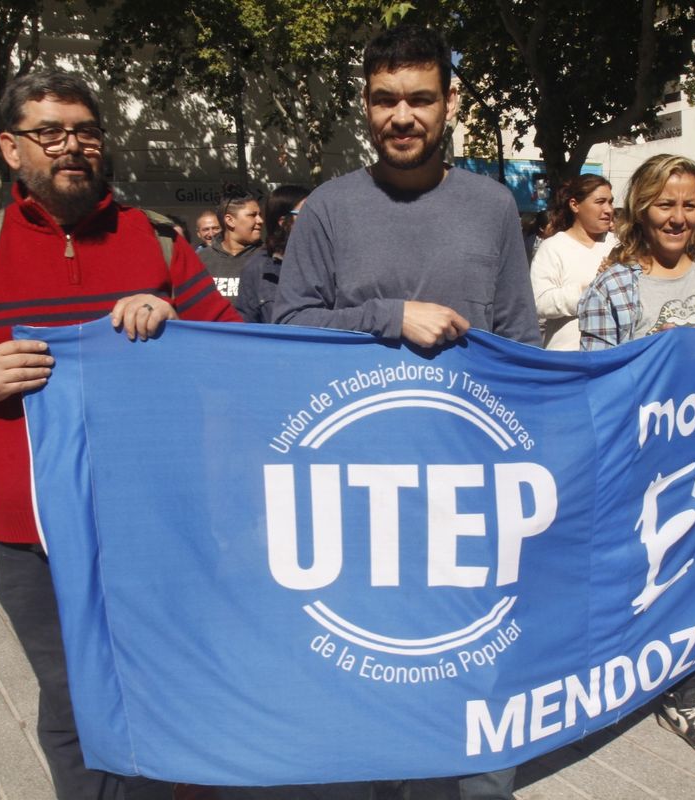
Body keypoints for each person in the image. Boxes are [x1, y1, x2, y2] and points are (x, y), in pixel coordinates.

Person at [0, 70, 240, 799]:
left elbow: (240, 357)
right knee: (75, 703)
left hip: (160, 532)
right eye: (50, 132)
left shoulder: (161, 243)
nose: (72, 146)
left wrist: (178, 328)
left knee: (167, 688)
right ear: (11, 148)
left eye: (85, 130)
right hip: (35, 543)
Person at [274, 23, 538, 800]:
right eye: (386, 99)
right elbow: (287, 327)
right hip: (356, 497)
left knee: (476, 686)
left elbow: (521, 338)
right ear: (364, 106)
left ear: (449, 104)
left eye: (420, 98)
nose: (403, 115)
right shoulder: (327, 208)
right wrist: (391, 315)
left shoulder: (493, 208)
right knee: (369, 676)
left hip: (470, 495)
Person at [577, 154, 695, 760]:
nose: (677, 217)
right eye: (665, 204)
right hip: (647, 471)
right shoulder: (614, 285)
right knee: (646, 581)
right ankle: (618, 679)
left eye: (689, 204)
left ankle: (682, 692)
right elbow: (601, 384)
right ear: (640, 209)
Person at [531, 175, 616, 349]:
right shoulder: (553, 247)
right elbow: (539, 302)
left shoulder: (619, 245)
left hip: (612, 359)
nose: (608, 209)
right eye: (600, 202)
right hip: (567, 359)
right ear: (575, 205)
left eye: (610, 202)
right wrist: (586, 292)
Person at [236, 184, 310, 323]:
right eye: (307, 213)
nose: (316, 219)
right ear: (283, 222)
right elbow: (247, 328)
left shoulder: (328, 259)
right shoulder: (257, 268)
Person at [198, 192, 263, 306]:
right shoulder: (201, 260)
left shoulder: (268, 258)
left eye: (260, 215)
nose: (260, 220)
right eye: (252, 215)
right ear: (230, 220)